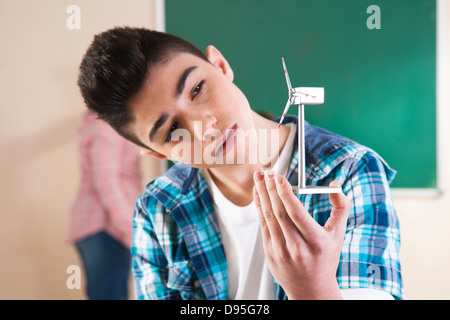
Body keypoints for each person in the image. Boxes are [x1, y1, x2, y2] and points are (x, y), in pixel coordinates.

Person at [76, 27, 403, 300]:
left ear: (219, 64)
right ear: (160, 154)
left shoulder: (348, 170)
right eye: (173, 130)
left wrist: (312, 288)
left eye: (198, 89)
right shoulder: (158, 207)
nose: (205, 127)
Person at [69, 110, 142, 300]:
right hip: (104, 228)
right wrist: (132, 231)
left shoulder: (101, 123)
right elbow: (107, 183)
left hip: (101, 230)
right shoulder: (106, 127)